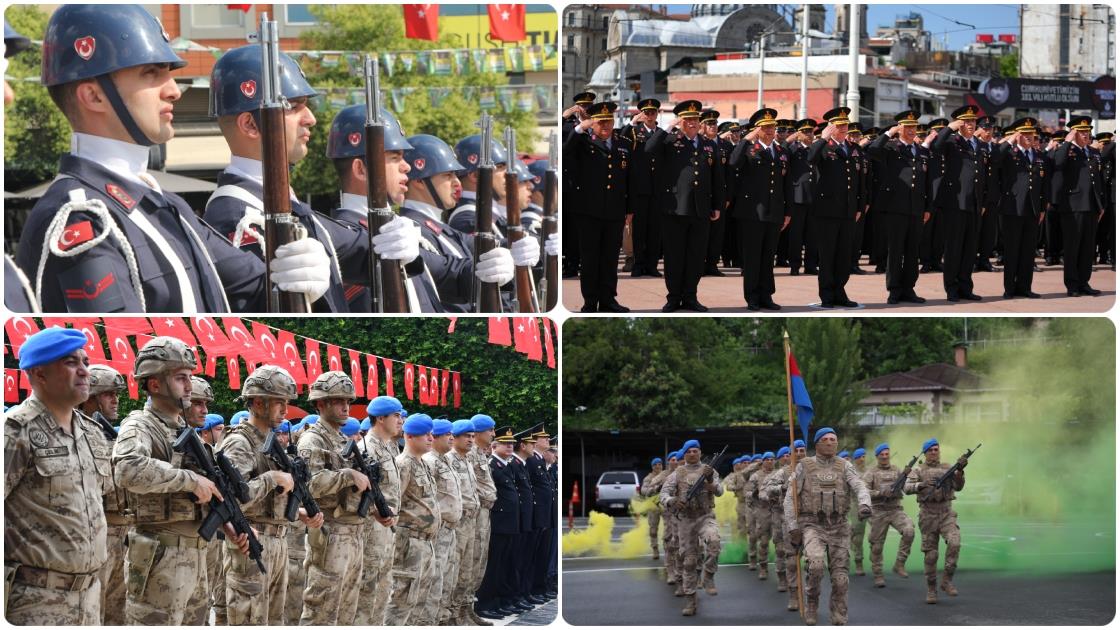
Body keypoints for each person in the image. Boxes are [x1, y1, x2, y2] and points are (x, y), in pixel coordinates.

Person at [20, 4, 328, 312]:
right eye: (151, 73)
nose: (174, 91)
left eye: (168, 72)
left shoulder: (166, 204)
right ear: (94, 96)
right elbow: (124, 336)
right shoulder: (82, 217)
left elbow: (257, 289)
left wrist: (299, 276)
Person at [205, 46, 407, 313]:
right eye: (294, 106)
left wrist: (403, 242)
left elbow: (367, 255)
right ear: (250, 125)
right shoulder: (237, 216)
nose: (311, 119)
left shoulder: (293, 209)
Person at [113, 337, 251, 624]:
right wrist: (189, 480)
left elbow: (204, 490)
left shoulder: (183, 430)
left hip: (196, 555)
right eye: (180, 378)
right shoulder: (140, 425)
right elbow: (127, 468)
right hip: (160, 557)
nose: (189, 385)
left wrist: (226, 523)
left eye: (189, 376)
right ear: (154, 384)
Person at [5, 328, 107, 624]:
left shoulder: (91, 432)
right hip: (36, 601)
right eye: (71, 362)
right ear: (40, 374)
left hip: (90, 596)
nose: (85, 371)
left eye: (85, 362)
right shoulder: (15, 431)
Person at [217, 366, 324, 624]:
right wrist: (271, 478)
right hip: (251, 541)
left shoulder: (269, 442)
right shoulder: (240, 442)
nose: (285, 410)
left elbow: (268, 501)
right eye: (279, 402)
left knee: (275, 620)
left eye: (286, 402)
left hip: (278, 540)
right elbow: (229, 499)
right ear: (257, 402)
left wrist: (297, 512)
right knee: (249, 620)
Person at [325, 104, 443, 312]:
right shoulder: (348, 240)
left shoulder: (398, 231)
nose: (407, 166)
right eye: (395, 158)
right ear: (360, 169)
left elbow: (449, 271)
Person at [297, 371, 370, 624]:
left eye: (348, 401)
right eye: (338, 401)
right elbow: (309, 484)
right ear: (320, 404)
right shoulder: (312, 439)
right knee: (322, 610)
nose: (345, 407)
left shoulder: (340, 438)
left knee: (346, 612)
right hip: (329, 531)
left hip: (352, 530)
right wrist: (348, 475)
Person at [643, 100, 726, 312]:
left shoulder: (709, 145)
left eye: (695, 119)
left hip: (701, 209)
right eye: (687, 119)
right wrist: (668, 128)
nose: (692, 123)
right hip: (675, 208)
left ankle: (690, 296)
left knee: (696, 256)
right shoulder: (670, 140)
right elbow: (649, 149)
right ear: (680, 121)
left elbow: (717, 178)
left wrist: (717, 205)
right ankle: (673, 297)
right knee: (674, 256)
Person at [783, 427, 871, 626]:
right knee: (815, 565)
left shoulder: (845, 465)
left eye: (833, 439)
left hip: (839, 527)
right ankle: (812, 603)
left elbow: (859, 486)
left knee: (840, 578)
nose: (831, 442)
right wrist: (793, 527)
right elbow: (789, 498)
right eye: (826, 439)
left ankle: (838, 614)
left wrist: (865, 503)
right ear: (817, 444)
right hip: (812, 526)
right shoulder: (804, 466)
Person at [565, 101, 633, 313]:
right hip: (588, 211)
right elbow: (566, 151)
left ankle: (608, 300)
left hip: (614, 210)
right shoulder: (582, 142)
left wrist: (629, 209)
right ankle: (590, 301)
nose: (605, 126)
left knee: (610, 259)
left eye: (608, 121)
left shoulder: (623, 144)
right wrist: (579, 128)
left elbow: (630, 179)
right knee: (590, 259)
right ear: (592, 123)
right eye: (601, 122)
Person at [79, 364, 129, 625]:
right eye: (109, 394)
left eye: (116, 394)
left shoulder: (112, 436)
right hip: (98, 533)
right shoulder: (77, 435)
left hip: (124, 534)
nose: (115, 400)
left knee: (119, 614)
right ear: (90, 397)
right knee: (93, 612)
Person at [866, 110, 931, 304]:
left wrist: (928, 207)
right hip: (895, 207)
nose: (912, 130)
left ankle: (908, 289)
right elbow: (872, 150)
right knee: (895, 251)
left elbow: (927, 181)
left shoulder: (921, 151)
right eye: (907, 126)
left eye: (914, 127)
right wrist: (888, 133)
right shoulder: (891, 148)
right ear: (899, 128)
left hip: (916, 208)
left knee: (912, 251)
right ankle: (894, 289)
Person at [730, 108, 791, 311]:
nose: (770, 130)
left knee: (768, 257)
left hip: (774, 211)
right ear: (757, 130)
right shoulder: (748, 149)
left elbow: (786, 185)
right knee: (752, 257)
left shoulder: (781, 152)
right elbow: (733, 163)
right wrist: (745, 140)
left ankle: (766, 295)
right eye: (765, 127)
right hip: (752, 212)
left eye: (772, 126)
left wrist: (788, 212)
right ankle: (752, 297)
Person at [355, 396, 404, 624]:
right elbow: (357, 494)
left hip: (386, 532)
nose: (401, 420)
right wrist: (376, 510)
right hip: (370, 533)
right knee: (367, 594)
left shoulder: (389, 447)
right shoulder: (365, 449)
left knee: (383, 592)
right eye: (396, 415)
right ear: (381, 418)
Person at [387, 413, 440, 624]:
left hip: (425, 542)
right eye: (425, 434)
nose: (430, 438)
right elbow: (393, 503)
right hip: (409, 542)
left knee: (420, 599)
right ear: (409, 436)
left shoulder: (423, 463)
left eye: (431, 434)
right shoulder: (403, 464)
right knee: (402, 599)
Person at [659, 439, 722, 616]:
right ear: (685, 454)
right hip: (686, 520)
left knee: (715, 542)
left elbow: (720, 491)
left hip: (705, 516)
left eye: (695, 451)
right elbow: (663, 494)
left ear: (700, 452)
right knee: (689, 562)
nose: (692, 454)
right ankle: (690, 600)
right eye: (689, 451)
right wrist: (673, 500)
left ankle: (708, 575)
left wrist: (710, 482)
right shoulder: (677, 473)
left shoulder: (709, 470)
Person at [931, 105, 988, 302]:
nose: (971, 124)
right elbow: (935, 146)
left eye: (973, 121)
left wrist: (983, 201)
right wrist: (949, 128)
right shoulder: (951, 141)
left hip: (974, 202)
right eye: (966, 121)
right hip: (955, 202)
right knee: (954, 248)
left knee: (969, 249)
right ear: (959, 123)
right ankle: (952, 288)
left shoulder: (979, 144)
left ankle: (965, 287)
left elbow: (983, 175)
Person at [807, 108, 862, 308]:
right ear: (831, 127)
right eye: (839, 125)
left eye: (845, 124)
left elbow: (859, 179)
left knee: (844, 255)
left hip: (848, 209)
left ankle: (840, 292)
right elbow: (810, 159)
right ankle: (827, 295)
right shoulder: (823, 146)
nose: (843, 128)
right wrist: (823, 138)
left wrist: (859, 205)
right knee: (828, 255)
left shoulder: (853, 148)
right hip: (827, 210)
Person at [905, 438, 967, 604]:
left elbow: (959, 486)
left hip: (946, 512)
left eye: (936, 449)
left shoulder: (948, 467)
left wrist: (960, 471)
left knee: (955, 542)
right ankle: (931, 589)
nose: (934, 452)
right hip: (928, 515)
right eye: (930, 450)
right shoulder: (918, 470)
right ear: (925, 453)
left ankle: (947, 580)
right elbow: (906, 488)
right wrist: (921, 485)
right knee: (931, 555)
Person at [991, 118, 1047, 299]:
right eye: (1025, 133)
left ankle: (1025, 287)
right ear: (1018, 135)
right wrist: (1009, 141)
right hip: (1013, 208)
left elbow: (1043, 183)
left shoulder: (1039, 155)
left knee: (1028, 251)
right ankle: (1009, 288)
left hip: (1032, 208)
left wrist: (1042, 207)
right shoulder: (1009, 153)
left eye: (1031, 133)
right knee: (1012, 250)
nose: (1029, 137)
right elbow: (994, 158)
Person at [1051, 116, 1106, 297]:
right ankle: (1072, 285)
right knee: (1072, 247)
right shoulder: (1067, 150)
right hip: (1073, 206)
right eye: (1081, 132)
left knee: (1088, 248)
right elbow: (1057, 163)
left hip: (1091, 205)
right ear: (1074, 133)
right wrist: (1067, 142)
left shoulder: (1093, 152)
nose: (1086, 134)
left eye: (1087, 131)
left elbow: (1099, 180)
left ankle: (1084, 282)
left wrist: (1101, 204)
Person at [419, 419, 464, 625]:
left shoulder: (445, 460)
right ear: (435, 437)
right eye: (447, 434)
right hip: (439, 529)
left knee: (448, 578)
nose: (452, 438)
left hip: (451, 529)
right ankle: (429, 621)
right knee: (434, 580)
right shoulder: (430, 461)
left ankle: (443, 619)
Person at [476, 426, 520, 618]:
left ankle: (498, 601)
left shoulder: (506, 465)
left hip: (509, 523)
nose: (510, 446)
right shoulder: (492, 465)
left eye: (512, 444)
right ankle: (486, 603)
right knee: (493, 566)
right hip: (498, 523)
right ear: (494, 446)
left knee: (503, 565)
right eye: (505, 443)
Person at [620, 98, 663, 277]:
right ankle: (638, 264)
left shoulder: (662, 133)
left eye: (653, 112)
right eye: (647, 112)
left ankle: (652, 265)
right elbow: (621, 141)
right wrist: (632, 122)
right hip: (640, 187)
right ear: (641, 114)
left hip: (657, 188)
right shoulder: (634, 131)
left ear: (657, 114)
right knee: (639, 230)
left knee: (654, 230)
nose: (650, 116)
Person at [863, 443, 916, 588]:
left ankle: (899, 563)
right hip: (878, 511)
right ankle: (878, 574)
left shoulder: (897, 470)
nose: (885, 457)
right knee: (876, 546)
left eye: (887, 454)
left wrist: (910, 479)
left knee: (909, 531)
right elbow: (863, 491)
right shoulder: (871, 472)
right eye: (882, 454)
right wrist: (880, 493)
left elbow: (906, 488)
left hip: (895, 510)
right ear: (877, 456)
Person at [446, 419, 483, 624]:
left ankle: (463, 610)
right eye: (466, 436)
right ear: (455, 437)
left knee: (468, 570)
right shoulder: (449, 459)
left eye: (472, 436)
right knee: (455, 570)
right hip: (458, 523)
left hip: (471, 521)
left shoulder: (467, 460)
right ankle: (451, 615)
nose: (470, 440)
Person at [785, 119, 818, 276]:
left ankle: (811, 265)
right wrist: (789, 140)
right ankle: (794, 265)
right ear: (799, 134)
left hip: (814, 196)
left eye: (810, 131)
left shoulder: (816, 148)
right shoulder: (793, 149)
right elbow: (780, 151)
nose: (809, 134)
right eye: (805, 132)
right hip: (798, 197)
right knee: (796, 234)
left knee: (813, 234)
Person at [849, 448, 869, 576]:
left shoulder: (870, 471)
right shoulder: (851, 472)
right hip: (856, 506)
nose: (862, 459)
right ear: (855, 459)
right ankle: (858, 562)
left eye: (864, 456)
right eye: (859, 457)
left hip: (872, 504)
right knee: (858, 536)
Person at [642, 457, 666, 559]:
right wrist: (654, 489)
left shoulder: (666, 475)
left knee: (669, 528)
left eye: (659, 464)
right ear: (652, 467)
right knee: (653, 529)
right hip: (653, 506)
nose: (657, 466)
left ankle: (668, 549)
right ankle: (655, 549)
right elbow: (644, 491)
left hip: (665, 505)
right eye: (655, 465)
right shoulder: (648, 478)